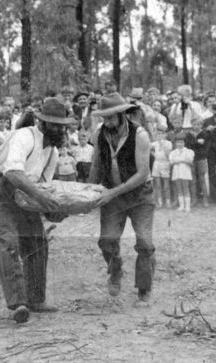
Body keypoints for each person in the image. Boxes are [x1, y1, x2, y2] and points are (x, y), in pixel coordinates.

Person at [0, 97, 73, 323]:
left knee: (37, 242)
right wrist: (40, 197)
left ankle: (36, 298)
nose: (60, 130)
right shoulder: (24, 136)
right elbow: (12, 173)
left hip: (28, 192)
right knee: (8, 242)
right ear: (42, 123)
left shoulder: (53, 152)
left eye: (62, 126)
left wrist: (55, 209)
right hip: (0, 190)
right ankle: (18, 303)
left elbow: (44, 185)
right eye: (55, 125)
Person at [88, 92, 155, 304]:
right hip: (112, 195)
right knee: (107, 241)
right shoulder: (100, 134)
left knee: (144, 242)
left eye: (110, 117)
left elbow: (142, 174)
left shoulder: (140, 134)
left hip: (140, 195)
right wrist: (88, 191)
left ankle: (144, 287)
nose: (107, 122)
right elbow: (97, 164)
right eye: (104, 118)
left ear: (121, 114)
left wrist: (113, 192)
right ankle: (115, 270)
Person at [186, 117, 210, 207]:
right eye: (195, 124)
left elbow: (206, 146)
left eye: (199, 124)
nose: (196, 126)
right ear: (192, 125)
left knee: (202, 179)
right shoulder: (189, 134)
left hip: (201, 158)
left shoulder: (204, 134)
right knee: (192, 180)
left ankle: (205, 200)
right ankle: (194, 199)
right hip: (191, 159)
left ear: (201, 125)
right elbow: (188, 145)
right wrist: (197, 142)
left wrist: (195, 145)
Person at [169, 132, 194, 212]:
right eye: (178, 142)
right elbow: (172, 162)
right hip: (177, 172)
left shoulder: (189, 151)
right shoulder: (173, 152)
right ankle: (181, 206)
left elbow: (190, 160)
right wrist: (183, 159)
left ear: (184, 143)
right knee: (179, 189)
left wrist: (179, 160)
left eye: (181, 142)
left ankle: (187, 206)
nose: (179, 144)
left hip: (185, 172)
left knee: (185, 188)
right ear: (175, 143)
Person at [151, 130, 172, 208]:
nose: (160, 135)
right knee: (158, 184)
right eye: (158, 134)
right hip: (157, 163)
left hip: (165, 163)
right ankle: (160, 202)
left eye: (162, 134)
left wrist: (163, 145)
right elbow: (147, 147)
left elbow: (168, 155)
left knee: (166, 184)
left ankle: (168, 202)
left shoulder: (168, 143)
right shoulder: (154, 143)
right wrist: (153, 154)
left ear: (165, 134)